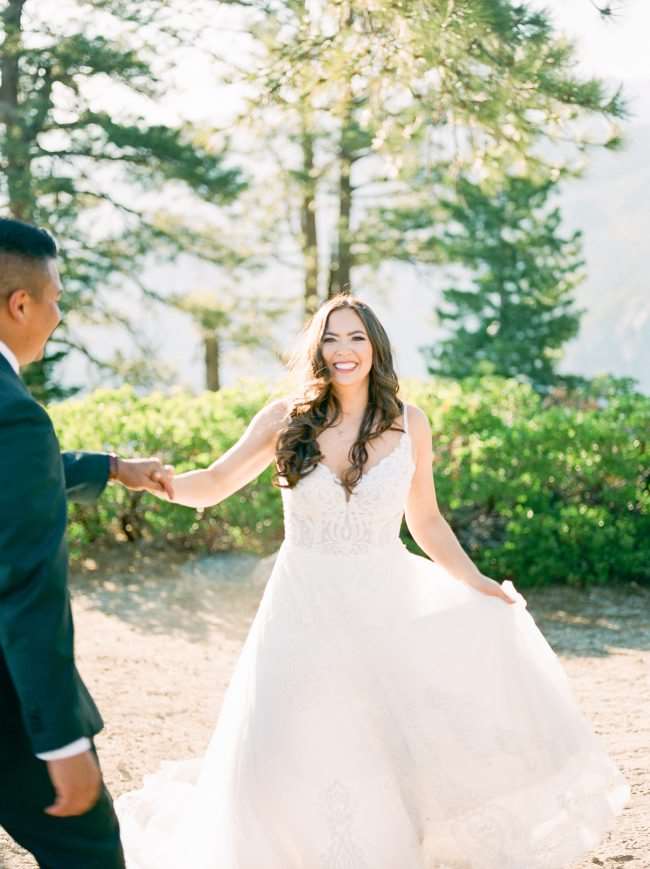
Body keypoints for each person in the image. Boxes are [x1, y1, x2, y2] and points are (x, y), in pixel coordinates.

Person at [118, 295, 629, 868]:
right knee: (288, 735)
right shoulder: (285, 419)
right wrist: (149, 480)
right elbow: (213, 484)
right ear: (318, 349)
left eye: (356, 338)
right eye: (331, 338)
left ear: (375, 347)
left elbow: (426, 521)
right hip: (301, 606)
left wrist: (475, 580)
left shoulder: (410, 422)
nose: (344, 350)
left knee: (382, 742)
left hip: (385, 604)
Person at [0, 217, 174, 868]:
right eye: (57, 295)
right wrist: (62, 744)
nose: (59, 312)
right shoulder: (15, 412)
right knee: (89, 853)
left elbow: (12, 471)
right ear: (21, 304)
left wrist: (107, 466)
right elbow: (25, 591)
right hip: (11, 711)